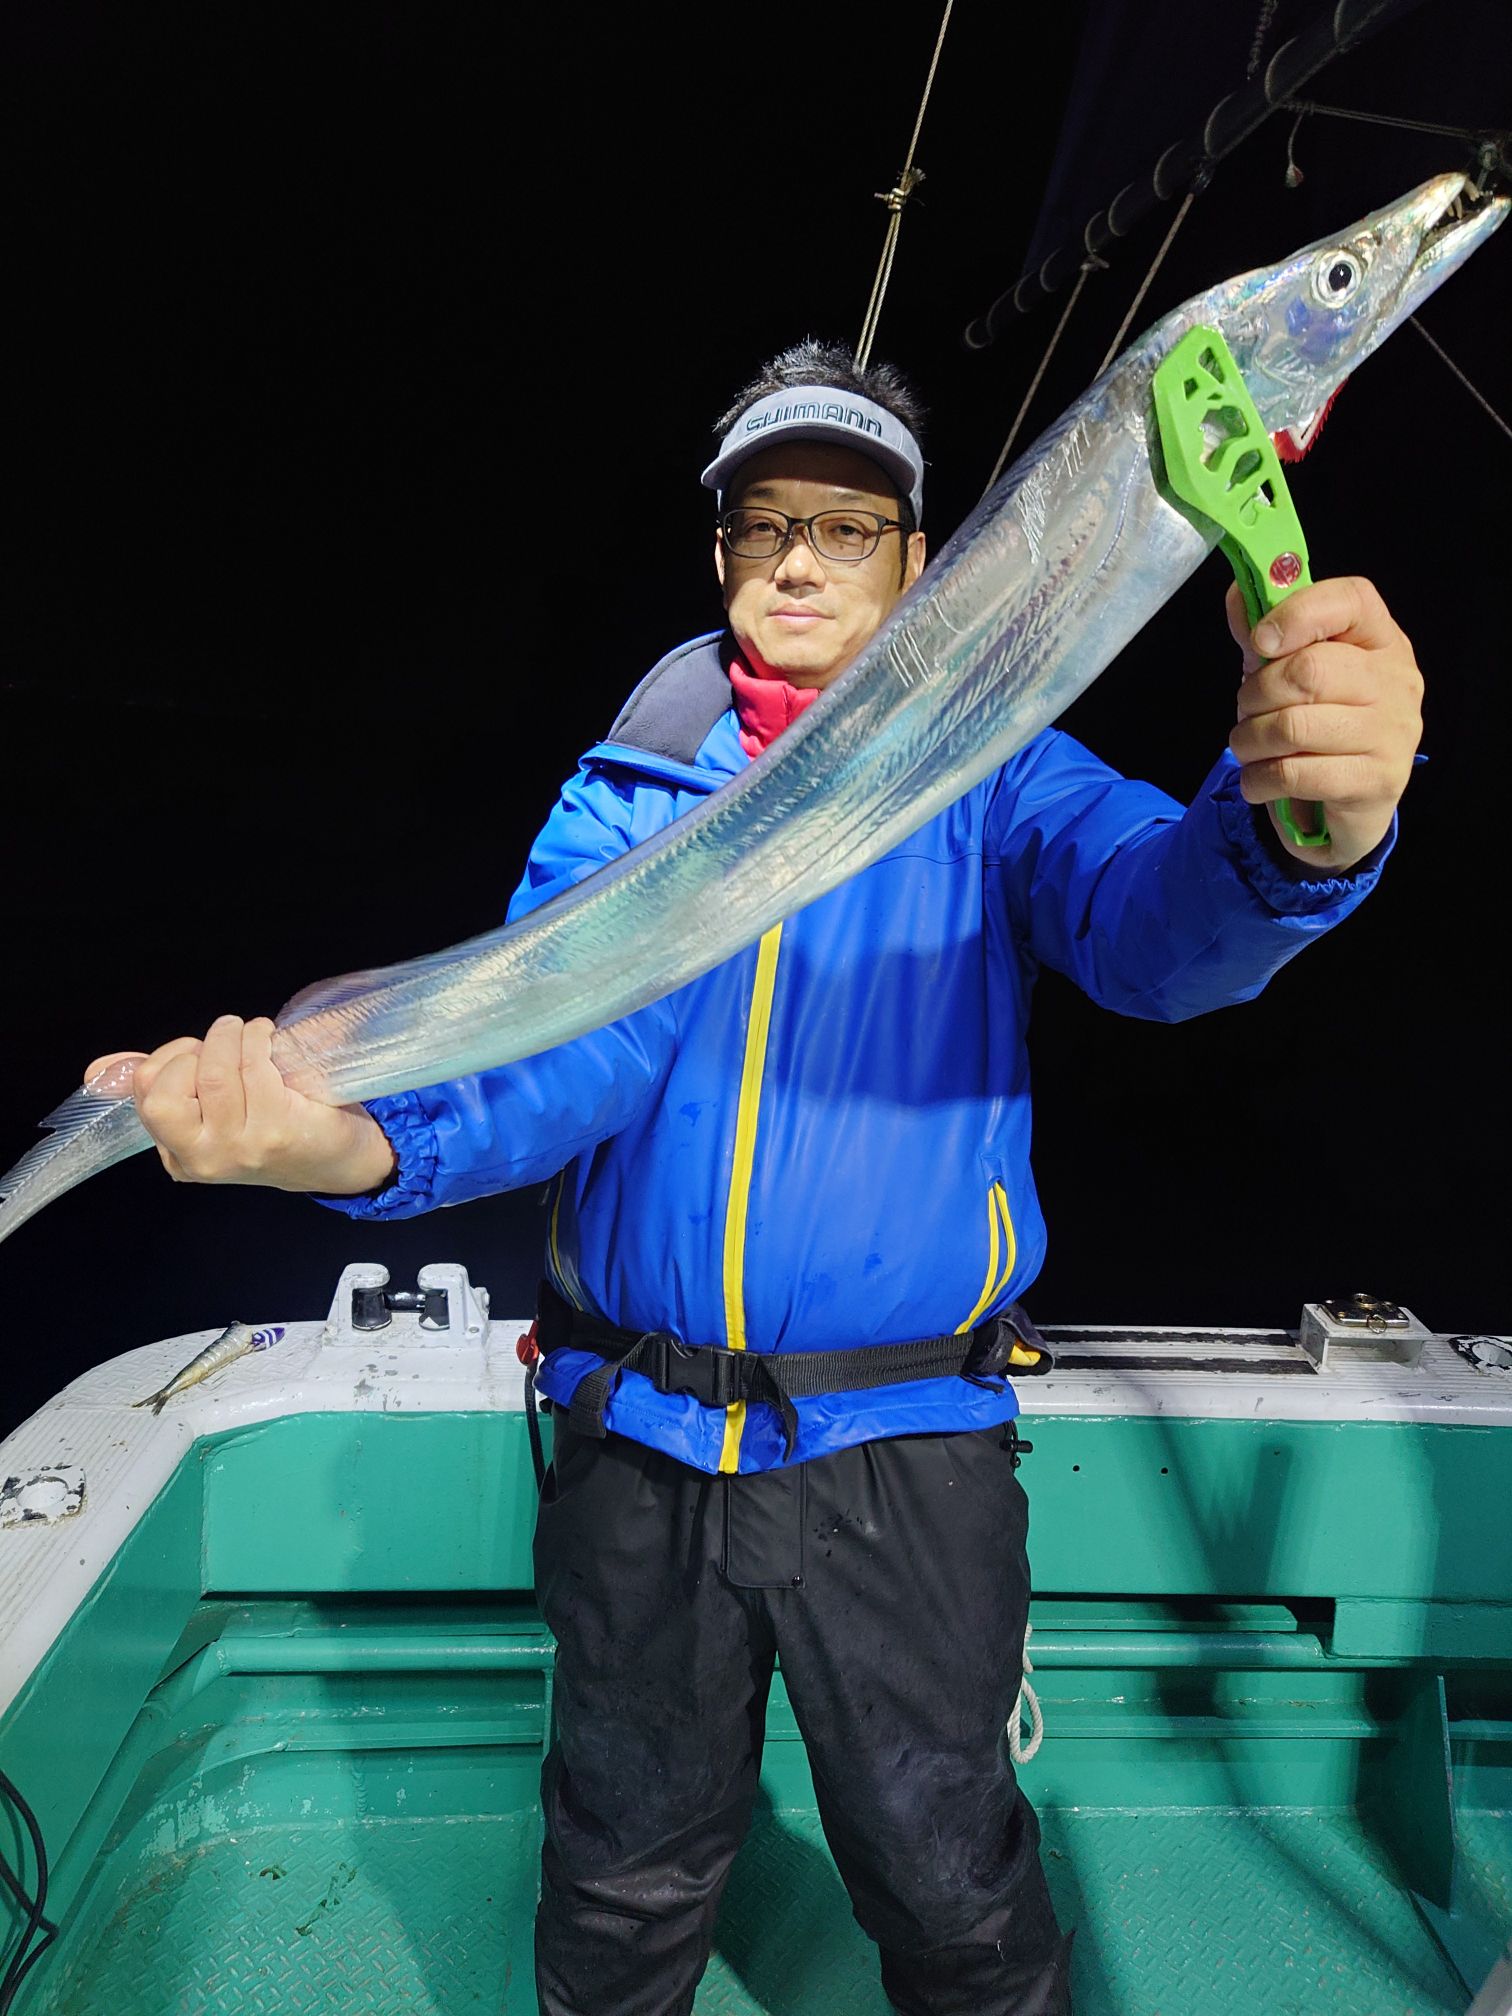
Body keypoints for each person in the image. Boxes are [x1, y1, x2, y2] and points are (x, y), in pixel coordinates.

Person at [90, 339, 1424, 2015]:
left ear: (919, 561)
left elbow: (1155, 930)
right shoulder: (629, 796)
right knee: (619, 1879)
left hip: (905, 1450)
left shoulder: (997, 767)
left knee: (952, 1888)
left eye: (848, 526)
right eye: (765, 522)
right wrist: (338, 1142)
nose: (800, 559)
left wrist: (1304, 824)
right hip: (638, 1448)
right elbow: (558, 1064)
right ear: (721, 550)